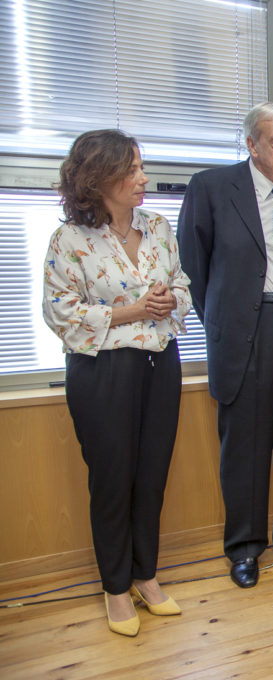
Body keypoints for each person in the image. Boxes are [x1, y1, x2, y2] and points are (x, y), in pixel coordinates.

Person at [43, 129, 191, 636]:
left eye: (140, 168)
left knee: (151, 476)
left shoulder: (157, 225)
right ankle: (114, 587)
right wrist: (132, 310)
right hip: (103, 373)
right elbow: (60, 312)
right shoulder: (70, 239)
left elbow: (182, 283)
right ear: (98, 177)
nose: (142, 178)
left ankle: (146, 577)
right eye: (131, 171)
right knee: (112, 480)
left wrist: (172, 300)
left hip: (159, 364)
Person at [177, 102, 273, 588]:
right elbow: (193, 270)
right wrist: (227, 321)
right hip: (246, 327)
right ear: (252, 146)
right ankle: (244, 547)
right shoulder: (213, 188)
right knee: (244, 444)